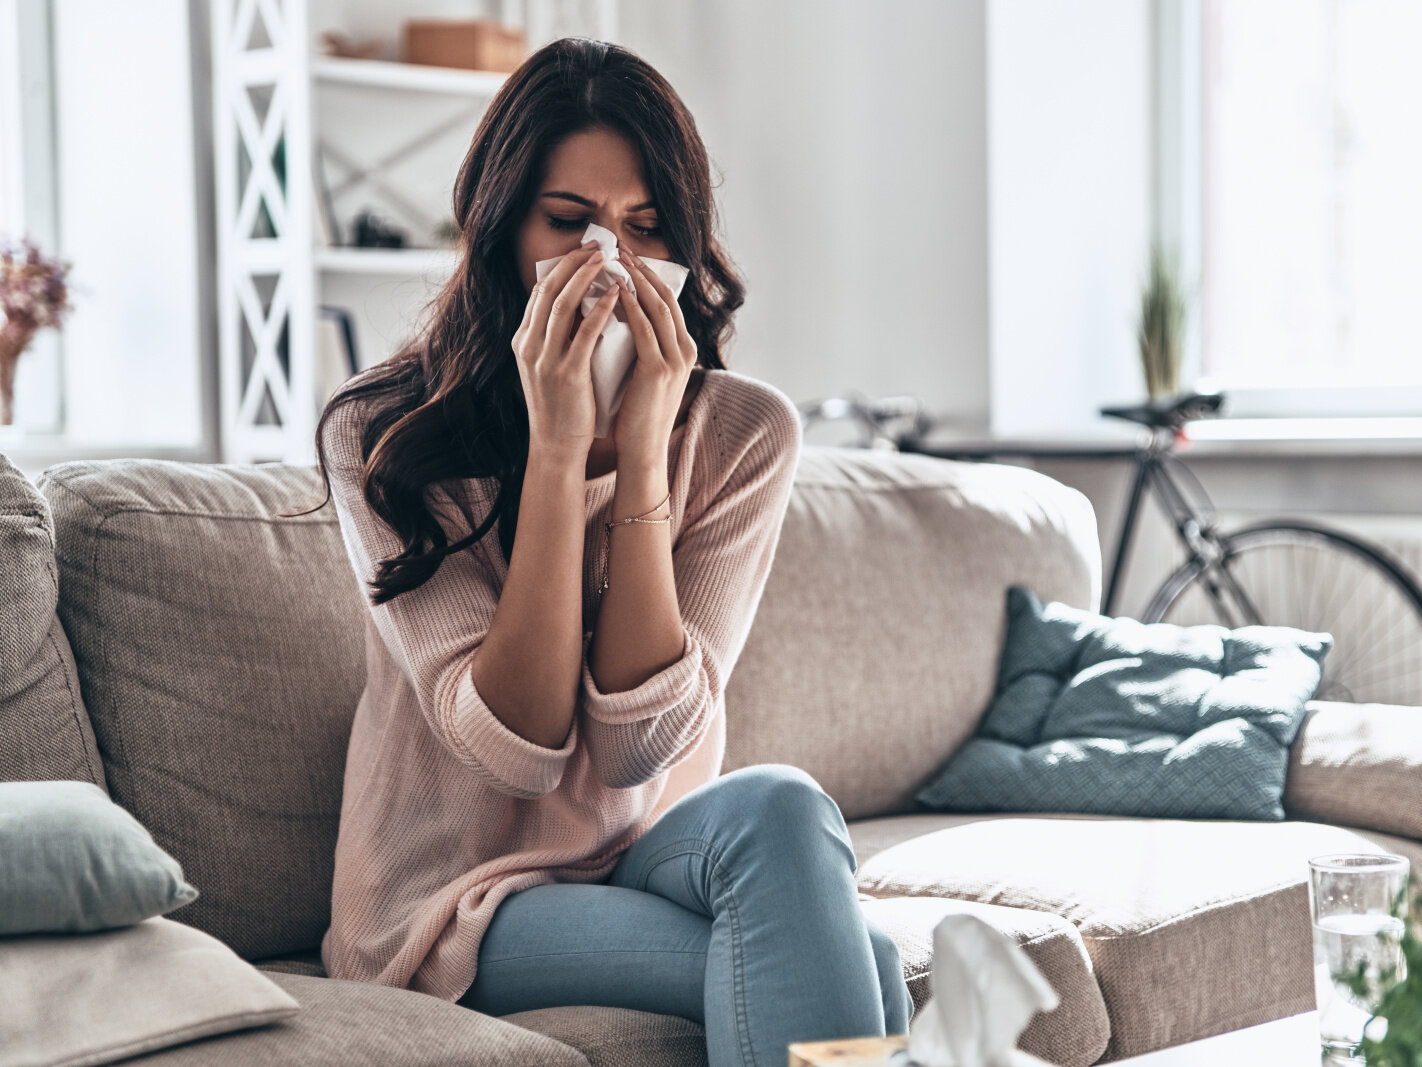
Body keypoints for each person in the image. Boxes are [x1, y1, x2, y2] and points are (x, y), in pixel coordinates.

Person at [295, 35, 911, 1067]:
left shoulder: (743, 433)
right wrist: (559, 447)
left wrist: (642, 456)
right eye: (570, 223)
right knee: (869, 968)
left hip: (636, 855)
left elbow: (636, 749)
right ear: (499, 232)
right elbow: (515, 744)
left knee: (785, 805)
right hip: (453, 900)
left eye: (645, 229)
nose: (610, 264)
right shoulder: (381, 433)